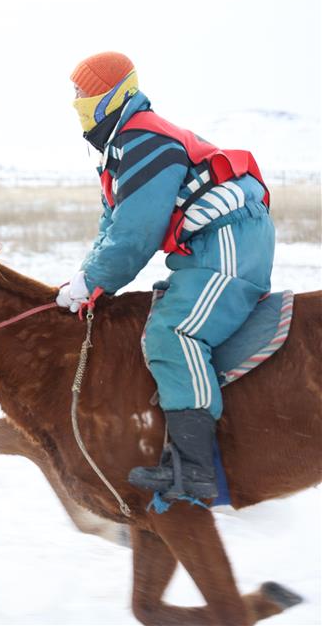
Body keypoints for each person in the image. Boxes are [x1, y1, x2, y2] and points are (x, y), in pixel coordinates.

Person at [57, 51, 273, 502]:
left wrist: (95, 280)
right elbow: (113, 228)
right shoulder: (119, 148)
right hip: (205, 247)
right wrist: (85, 281)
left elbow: (136, 233)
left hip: (231, 239)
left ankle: (196, 469)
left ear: (113, 94)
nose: (75, 101)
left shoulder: (145, 139)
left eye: (83, 92)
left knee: (174, 332)